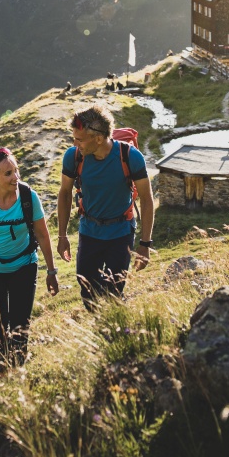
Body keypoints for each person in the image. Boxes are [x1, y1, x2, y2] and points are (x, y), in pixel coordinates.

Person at [0, 146, 58, 372]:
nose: (15, 177)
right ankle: (2, 375)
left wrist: (52, 271)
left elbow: (42, 234)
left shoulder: (29, 197)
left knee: (20, 326)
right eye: (8, 173)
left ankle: (18, 374)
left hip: (24, 267)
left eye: (16, 170)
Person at [56, 105, 155, 309]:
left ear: (98, 139)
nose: (75, 144)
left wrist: (145, 244)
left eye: (80, 139)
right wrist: (62, 236)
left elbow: (146, 198)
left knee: (114, 291)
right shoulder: (73, 157)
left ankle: (114, 332)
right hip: (89, 232)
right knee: (87, 290)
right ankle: (98, 329)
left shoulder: (130, 156)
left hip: (121, 233)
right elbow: (65, 193)